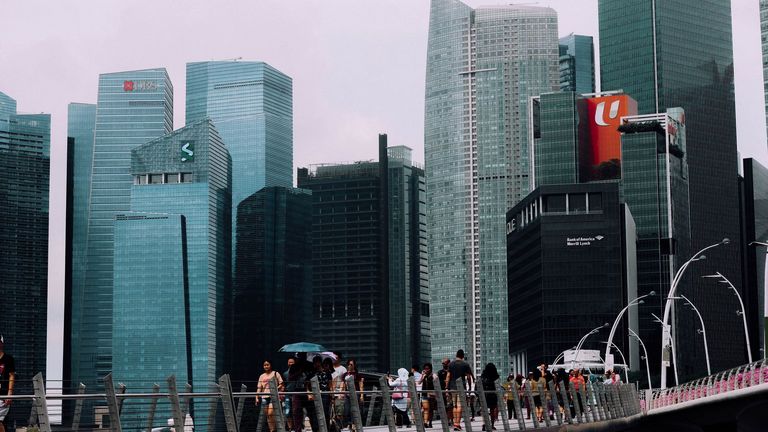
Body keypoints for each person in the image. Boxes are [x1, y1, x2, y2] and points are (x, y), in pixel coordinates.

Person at [445, 349, 473, 431]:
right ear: (463, 356)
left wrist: (446, 387)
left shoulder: (451, 364)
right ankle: (457, 424)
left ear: (456, 355)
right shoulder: (465, 364)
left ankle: (455, 423)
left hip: (452, 387)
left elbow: (448, 376)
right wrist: (469, 387)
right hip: (461, 387)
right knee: (460, 405)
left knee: (454, 405)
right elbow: (468, 377)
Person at [257, 360, 284, 432]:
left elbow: (281, 384)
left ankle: (274, 429)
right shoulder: (262, 376)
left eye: (267, 365)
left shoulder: (275, 373)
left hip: (273, 396)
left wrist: (275, 389)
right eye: (264, 365)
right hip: (264, 396)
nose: (266, 366)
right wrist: (256, 397)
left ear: (271, 365)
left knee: (271, 413)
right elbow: (259, 387)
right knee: (268, 415)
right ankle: (272, 430)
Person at [341, 359, 364, 431]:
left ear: (354, 365)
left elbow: (361, 385)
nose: (349, 366)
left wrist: (361, 395)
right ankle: (349, 423)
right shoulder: (345, 375)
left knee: (354, 409)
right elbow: (343, 385)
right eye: (348, 364)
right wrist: (341, 393)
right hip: (347, 394)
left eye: (351, 364)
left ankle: (354, 423)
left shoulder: (357, 375)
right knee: (347, 409)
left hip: (355, 393)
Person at [0, 336, 15, 432]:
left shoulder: (8, 359)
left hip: (3, 395)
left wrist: (9, 394)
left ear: (2, 343)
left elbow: (11, 375)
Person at [417, 363, 438, 428]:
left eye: (428, 368)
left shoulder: (433, 375)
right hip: (424, 394)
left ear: (430, 369)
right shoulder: (424, 375)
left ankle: (430, 422)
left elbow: (437, 381)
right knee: (426, 408)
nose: (426, 370)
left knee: (431, 409)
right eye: (425, 369)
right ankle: (425, 422)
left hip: (432, 394)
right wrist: (422, 375)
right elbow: (419, 382)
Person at [480, 363, 499, 430]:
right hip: (492, 394)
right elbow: (497, 386)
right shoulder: (495, 376)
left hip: (484, 394)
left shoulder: (483, 375)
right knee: (492, 410)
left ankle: (484, 424)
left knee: (484, 410)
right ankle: (492, 425)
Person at [331, 353, 347, 430]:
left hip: (339, 393)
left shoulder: (343, 369)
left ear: (340, 359)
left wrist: (342, 393)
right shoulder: (329, 368)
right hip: (330, 393)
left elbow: (345, 382)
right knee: (332, 412)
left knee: (339, 412)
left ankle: (340, 427)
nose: (334, 359)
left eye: (336, 358)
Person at [283, 358, 296, 430]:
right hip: (287, 394)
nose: (290, 364)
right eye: (289, 362)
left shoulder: (298, 373)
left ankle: (296, 427)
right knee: (287, 412)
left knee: (295, 411)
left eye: (292, 362)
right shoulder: (285, 373)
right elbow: (284, 385)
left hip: (296, 394)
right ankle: (290, 428)